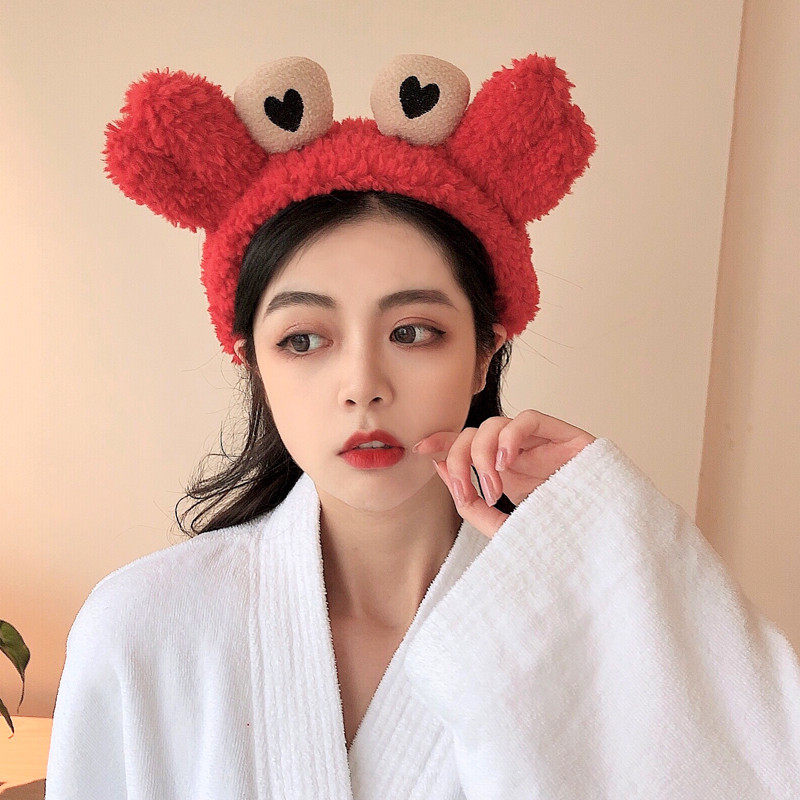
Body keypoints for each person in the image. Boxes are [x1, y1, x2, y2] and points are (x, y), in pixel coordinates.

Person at [45, 54, 800, 799]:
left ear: (484, 356)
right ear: (253, 364)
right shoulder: (140, 630)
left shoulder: (581, 611)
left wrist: (605, 548)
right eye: (303, 340)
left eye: (413, 332)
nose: (363, 387)